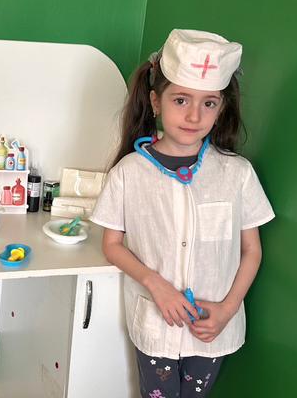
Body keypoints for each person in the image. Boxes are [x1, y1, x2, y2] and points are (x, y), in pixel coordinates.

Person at [92, 28, 274, 398]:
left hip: (213, 327)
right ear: (156, 102)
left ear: (221, 109)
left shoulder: (237, 174)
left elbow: (251, 250)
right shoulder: (128, 172)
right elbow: (112, 245)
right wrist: (155, 284)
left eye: (209, 103)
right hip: (156, 321)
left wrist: (227, 310)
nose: (194, 115)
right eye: (180, 100)